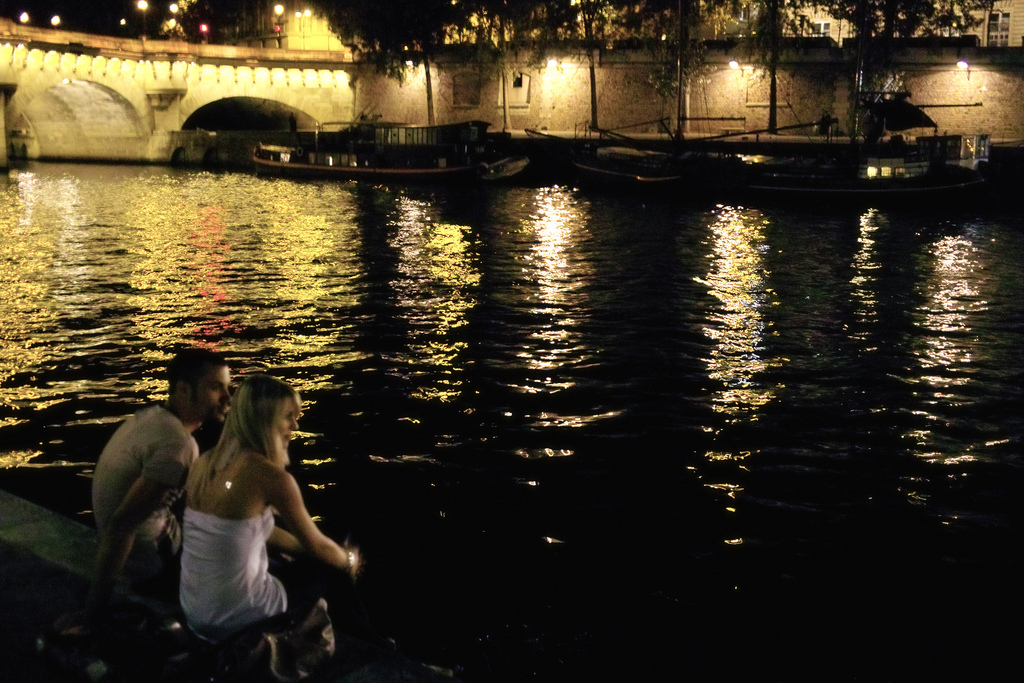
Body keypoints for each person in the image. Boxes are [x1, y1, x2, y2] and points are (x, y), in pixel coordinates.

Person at [179, 374, 364, 644]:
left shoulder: (204, 464)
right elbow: (318, 547)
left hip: (196, 613)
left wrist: (304, 552)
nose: (295, 425)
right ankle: (376, 644)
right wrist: (347, 561)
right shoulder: (270, 477)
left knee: (291, 558)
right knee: (331, 571)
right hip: (235, 619)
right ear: (265, 420)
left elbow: (250, 532)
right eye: (288, 416)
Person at [60, 349, 231, 632]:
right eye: (216, 388)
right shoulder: (177, 444)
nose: (227, 397)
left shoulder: (151, 418)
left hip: (148, 543)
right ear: (184, 390)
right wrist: (93, 612)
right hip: (152, 567)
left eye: (227, 388)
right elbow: (122, 525)